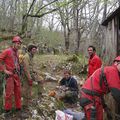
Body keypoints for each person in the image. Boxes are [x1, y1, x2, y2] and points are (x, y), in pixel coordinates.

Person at [79, 56, 120, 120]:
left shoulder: (108, 70)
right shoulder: (113, 71)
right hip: (91, 99)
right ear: (116, 63)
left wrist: (104, 106)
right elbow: (117, 93)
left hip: (89, 97)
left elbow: (98, 91)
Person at [0, 36, 23, 118]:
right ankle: (7, 111)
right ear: (13, 43)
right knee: (9, 94)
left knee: (18, 92)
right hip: (10, 76)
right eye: (17, 43)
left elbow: (17, 63)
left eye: (20, 44)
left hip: (16, 75)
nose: (19, 45)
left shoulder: (17, 52)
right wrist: (4, 70)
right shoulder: (7, 51)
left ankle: (18, 109)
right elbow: (0, 59)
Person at [21, 44, 37, 110]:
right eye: (33, 49)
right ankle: (24, 105)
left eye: (35, 49)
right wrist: (29, 78)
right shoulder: (26, 57)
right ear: (30, 49)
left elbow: (31, 66)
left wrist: (34, 72)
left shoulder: (31, 56)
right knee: (26, 89)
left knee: (29, 89)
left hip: (30, 74)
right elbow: (26, 69)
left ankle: (28, 103)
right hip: (25, 75)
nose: (35, 50)